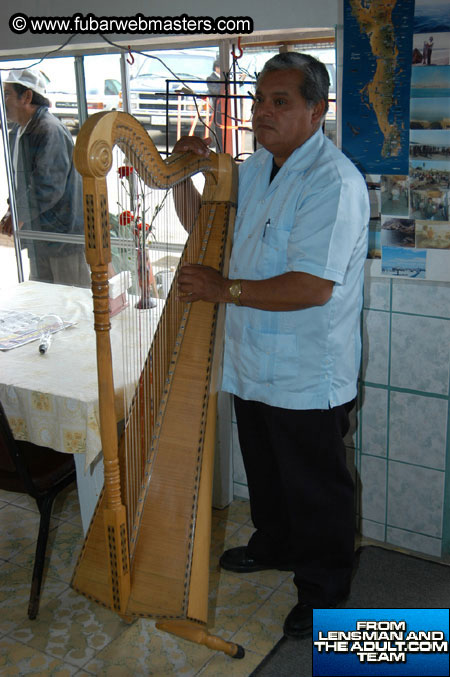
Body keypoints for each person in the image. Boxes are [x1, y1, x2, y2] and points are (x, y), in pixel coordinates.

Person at [175, 52, 370, 638]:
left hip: (309, 371)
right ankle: (275, 544)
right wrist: (185, 176)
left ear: (317, 110)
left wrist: (222, 288)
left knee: (316, 488)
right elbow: (202, 230)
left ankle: (323, 591)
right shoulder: (257, 167)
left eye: (279, 101)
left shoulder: (334, 181)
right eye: (258, 99)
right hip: (253, 359)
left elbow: (312, 287)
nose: (262, 111)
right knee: (265, 471)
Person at [0, 68, 90, 287]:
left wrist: (19, 213)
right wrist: (13, 210)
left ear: (27, 96)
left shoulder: (49, 130)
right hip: (39, 235)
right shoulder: (18, 132)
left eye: (8, 94)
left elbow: (48, 187)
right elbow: (19, 182)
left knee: (73, 301)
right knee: (43, 303)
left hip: (62, 238)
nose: (3, 101)